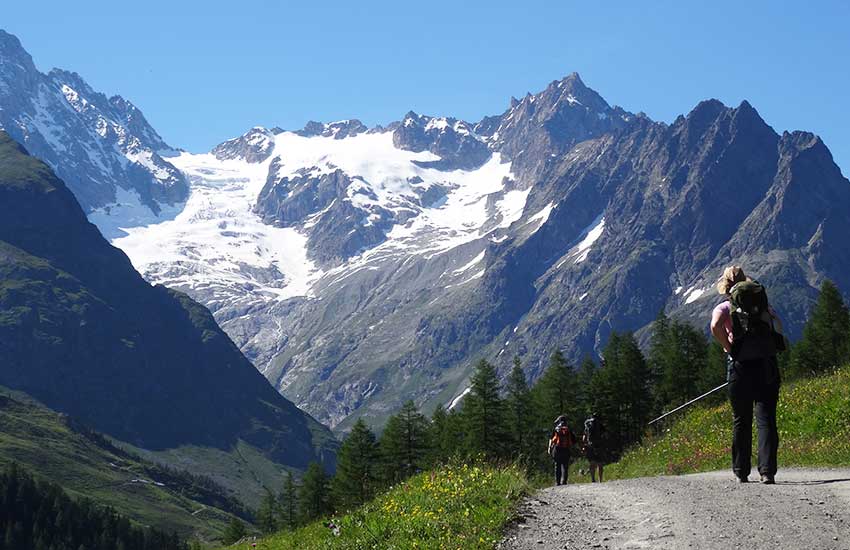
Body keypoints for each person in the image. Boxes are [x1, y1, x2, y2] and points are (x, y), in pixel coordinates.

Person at [710, 266, 784, 484]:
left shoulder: (724, 307)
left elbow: (715, 326)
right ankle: (767, 472)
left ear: (726, 287)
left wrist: (729, 347)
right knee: (766, 418)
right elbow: (777, 326)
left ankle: (741, 471)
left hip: (739, 366)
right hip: (765, 364)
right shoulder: (763, 304)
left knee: (741, 419)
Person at [548, 415, 576, 485]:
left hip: (557, 449)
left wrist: (549, 448)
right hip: (566, 449)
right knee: (565, 466)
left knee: (557, 465)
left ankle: (557, 482)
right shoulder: (568, 429)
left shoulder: (556, 428)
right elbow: (574, 440)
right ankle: (564, 481)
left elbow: (551, 439)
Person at [582, 413, 606, 482]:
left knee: (592, 463)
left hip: (590, 445)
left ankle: (593, 479)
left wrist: (584, 445)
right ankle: (600, 480)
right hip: (599, 445)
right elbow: (604, 434)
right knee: (600, 463)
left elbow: (584, 437)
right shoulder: (599, 424)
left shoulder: (588, 424)